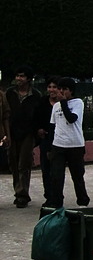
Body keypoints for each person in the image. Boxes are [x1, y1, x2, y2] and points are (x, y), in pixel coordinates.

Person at [47, 77, 90, 208]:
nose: (61, 92)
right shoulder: (56, 107)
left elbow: (71, 118)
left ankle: (82, 199)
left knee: (77, 175)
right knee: (56, 176)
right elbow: (52, 126)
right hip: (59, 144)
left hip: (75, 145)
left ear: (71, 91)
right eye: (60, 89)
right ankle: (56, 201)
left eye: (64, 89)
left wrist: (64, 102)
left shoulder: (78, 103)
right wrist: (50, 147)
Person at [6, 65, 42, 208]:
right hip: (12, 132)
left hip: (28, 133)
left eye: (22, 76)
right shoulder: (10, 93)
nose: (19, 79)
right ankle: (18, 190)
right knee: (13, 163)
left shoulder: (35, 95)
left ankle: (22, 194)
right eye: (17, 76)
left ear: (28, 79)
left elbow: (38, 115)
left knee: (24, 163)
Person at [33, 76, 61, 205]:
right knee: (46, 168)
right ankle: (49, 195)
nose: (52, 90)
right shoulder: (43, 102)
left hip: (59, 140)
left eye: (54, 87)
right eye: (49, 87)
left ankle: (57, 195)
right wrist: (39, 129)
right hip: (46, 138)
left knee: (57, 170)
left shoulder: (63, 104)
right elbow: (36, 117)